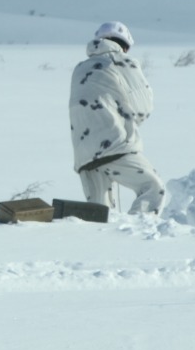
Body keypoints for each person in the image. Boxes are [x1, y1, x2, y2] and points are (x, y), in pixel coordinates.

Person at [69, 21, 165, 214]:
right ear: (125, 45)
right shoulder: (121, 61)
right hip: (114, 143)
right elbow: (142, 106)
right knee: (153, 189)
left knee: (98, 214)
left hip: (83, 154)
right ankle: (136, 238)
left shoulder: (80, 68)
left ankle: (103, 243)